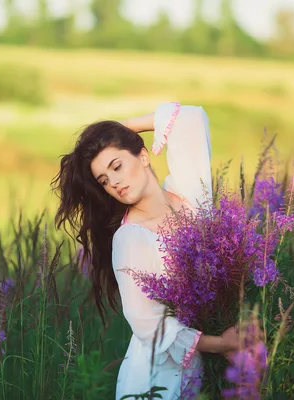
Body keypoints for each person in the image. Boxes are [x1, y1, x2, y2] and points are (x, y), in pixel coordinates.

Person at [52, 102, 238, 399]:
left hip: (218, 362)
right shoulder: (130, 238)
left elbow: (190, 119)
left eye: (117, 166)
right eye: (104, 180)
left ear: (143, 155)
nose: (114, 182)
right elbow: (149, 325)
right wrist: (222, 344)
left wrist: (121, 128)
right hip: (161, 377)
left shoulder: (189, 197)